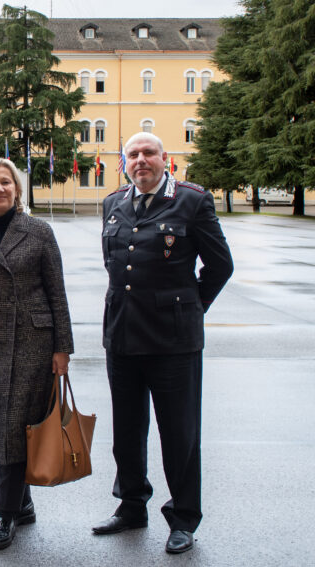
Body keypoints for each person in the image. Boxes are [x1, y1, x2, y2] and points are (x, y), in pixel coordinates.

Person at [93, 132, 233, 554]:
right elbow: (115, 263)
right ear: (125, 162)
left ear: (164, 159)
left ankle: (184, 518)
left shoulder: (192, 200)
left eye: (148, 153)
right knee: (127, 430)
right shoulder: (113, 203)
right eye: (133, 154)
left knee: (179, 434)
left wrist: (189, 306)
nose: (141, 160)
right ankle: (132, 505)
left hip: (174, 341)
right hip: (122, 335)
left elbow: (220, 265)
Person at [0, 158, 74, 551]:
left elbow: (57, 292)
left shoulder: (39, 232)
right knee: (2, 426)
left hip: (33, 344)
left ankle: (4, 515)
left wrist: (62, 350)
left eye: (6, 182)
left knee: (17, 426)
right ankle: (22, 503)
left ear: (17, 189)